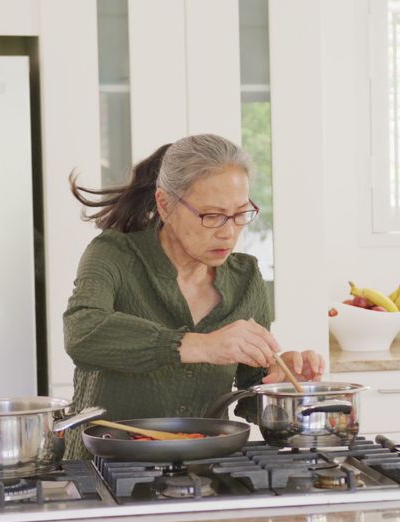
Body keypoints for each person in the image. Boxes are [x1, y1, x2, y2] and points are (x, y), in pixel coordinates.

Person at [62, 133, 324, 459]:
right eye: (211, 216)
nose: (228, 232)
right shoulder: (114, 254)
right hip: (105, 468)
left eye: (240, 213)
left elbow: (248, 391)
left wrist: (280, 388)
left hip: (204, 470)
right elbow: (83, 332)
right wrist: (202, 345)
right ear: (165, 204)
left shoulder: (246, 278)